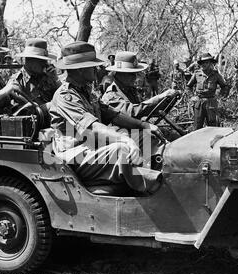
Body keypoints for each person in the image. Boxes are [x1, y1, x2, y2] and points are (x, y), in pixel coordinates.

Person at [49, 41, 164, 194]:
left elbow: (114, 115)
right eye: (93, 66)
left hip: (93, 147)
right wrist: (125, 140)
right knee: (121, 149)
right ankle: (149, 187)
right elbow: (92, 127)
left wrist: (144, 126)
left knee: (145, 136)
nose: (97, 70)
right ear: (81, 70)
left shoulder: (87, 92)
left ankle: (157, 172)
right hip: (74, 154)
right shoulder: (65, 96)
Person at [102, 51, 179, 119]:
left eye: (135, 74)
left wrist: (167, 101)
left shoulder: (130, 90)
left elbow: (145, 109)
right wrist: (160, 97)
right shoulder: (111, 95)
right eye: (130, 74)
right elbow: (133, 112)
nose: (135, 77)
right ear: (118, 74)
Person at [12, 38, 61, 107]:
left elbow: (62, 98)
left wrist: (55, 79)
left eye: (45, 61)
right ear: (29, 60)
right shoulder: (17, 81)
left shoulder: (47, 76)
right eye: (42, 61)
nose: (46, 64)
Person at [186, 52, 229, 130]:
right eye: (202, 63)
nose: (203, 64)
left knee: (213, 126)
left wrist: (220, 97)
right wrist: (192, 97)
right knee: (197, 126)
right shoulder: (197, 74)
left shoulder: (216, 75)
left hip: (211, 103)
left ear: (210, 63)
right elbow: (188, 86)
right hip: (199, 103)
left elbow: (225, 87)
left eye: (206, 62)